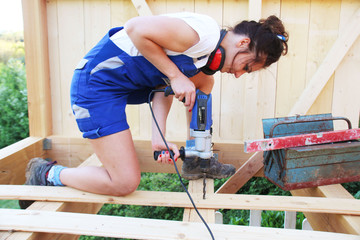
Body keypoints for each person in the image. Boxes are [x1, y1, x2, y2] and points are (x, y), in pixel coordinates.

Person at [20, 12, 288, 207]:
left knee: (205, 81)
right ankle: (46, 173)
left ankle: (198, 154)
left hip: (117, 88)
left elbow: (163, 84)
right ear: (242, 44)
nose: (240, 75)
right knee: (124, 183)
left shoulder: (205, 58)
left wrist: (158, 137)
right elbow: (136, 28)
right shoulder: (202, 35)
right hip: (95, 87)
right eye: (247, 66)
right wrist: (176, 76)